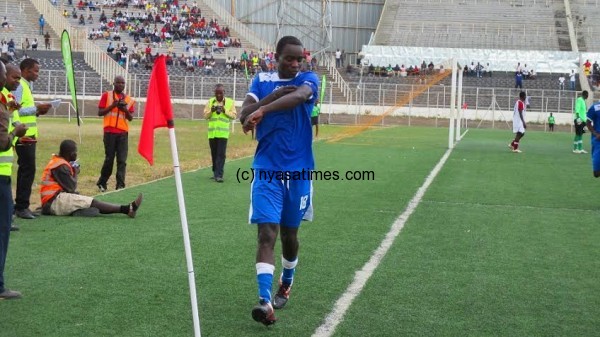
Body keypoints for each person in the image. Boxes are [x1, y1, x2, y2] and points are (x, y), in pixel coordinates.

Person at [240, 36, 319, 326]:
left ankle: (286, 281)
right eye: (290, 58)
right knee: (266, 234)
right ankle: (264, 302)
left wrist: (264, 110)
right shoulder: (260, 81)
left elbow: (299, 97)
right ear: (276, 56)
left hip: (299, 170)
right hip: (266, 168)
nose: (296, 63)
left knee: (289, 235)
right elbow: (243, 116)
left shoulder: (308, 79)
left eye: (300, 58)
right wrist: (267, 100)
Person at [40, 140, 142, 217]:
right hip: (54, 202)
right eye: (75, 152)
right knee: (92, 202)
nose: (76, 154)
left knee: (86, 202)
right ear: (70, 154)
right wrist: (75, 172)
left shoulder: (57, 161)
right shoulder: (61, 166)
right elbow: (71, 188)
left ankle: (78, 211)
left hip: (53, 200)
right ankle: (128, 209)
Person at [0, 60, 28, 300]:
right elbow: (2, 142)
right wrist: (16, 133)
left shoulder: (7, 100)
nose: (16, 82)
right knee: (1, 232)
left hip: (4, 175)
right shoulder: (2, 102)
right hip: (0, 178)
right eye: (12, 76)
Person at [12, 58, 52, 219]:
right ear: (26, 70)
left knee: (27, 169)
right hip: (22, 136)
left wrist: (36, 111)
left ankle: (21, 205)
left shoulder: (24, 86)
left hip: (27, 135)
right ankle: (21, 207)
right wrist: (36, 108)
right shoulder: (19, 85)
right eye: (35, 71)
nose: (37, 74)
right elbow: (14, 110)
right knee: (27, 170)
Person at [96, 75, 135, 192]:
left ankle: (120, 185)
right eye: (118, 83)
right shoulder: (106, 96)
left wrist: (125, 110)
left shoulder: (129, 99)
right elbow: (100, 112)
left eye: (123, 83)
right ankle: (102, 182)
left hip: (123, 133)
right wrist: (113, 105)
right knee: (109, 159)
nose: (121, 85)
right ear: (113, 83)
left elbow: (131, 118)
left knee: (122, 160)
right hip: (109, 132)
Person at [203, 84, 236, 182]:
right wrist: (211, 111)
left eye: (220, 93)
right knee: (214, 153)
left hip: (223, 134)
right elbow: (205, 116)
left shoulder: (230, 102)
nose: (218, 95)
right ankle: (215, 172)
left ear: (224, 93)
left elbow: (234, 116)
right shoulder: (210, 102)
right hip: (212, 134)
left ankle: (219, 175)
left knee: (221, 154)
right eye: (216, 93)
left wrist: (224, 110)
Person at [586, 100, 600, 177]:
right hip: (598, 142)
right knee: (596, 173)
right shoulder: (594, 107)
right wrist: (595, 133)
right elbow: (588, 122)